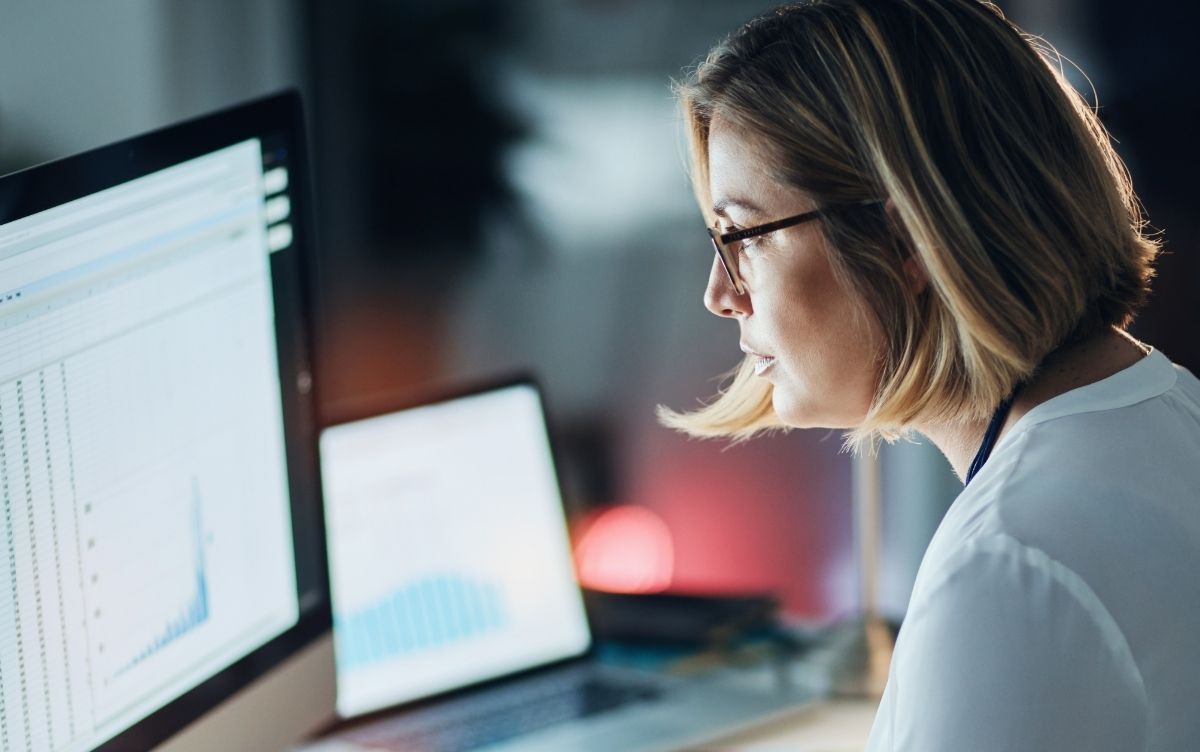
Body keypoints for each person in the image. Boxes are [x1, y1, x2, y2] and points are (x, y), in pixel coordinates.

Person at [659, 1, 1200, 749]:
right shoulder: (1172, 410)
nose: (720, 295)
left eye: (741, 236)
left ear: (906, 240)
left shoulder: (1007, 566)